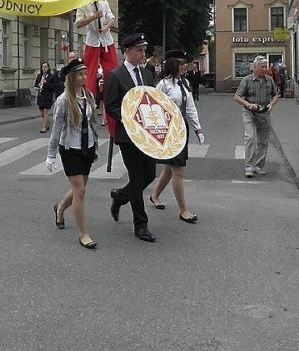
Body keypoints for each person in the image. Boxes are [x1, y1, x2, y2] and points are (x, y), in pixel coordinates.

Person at [106, 32, 158, 242]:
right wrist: (130, 121)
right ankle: (141, 224)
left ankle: (120, 196)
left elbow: (152, 102)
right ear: (127, 51)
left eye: (144, 50)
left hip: (146, 136)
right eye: (139, 50)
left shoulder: (146, 75)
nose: (142, 54)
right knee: (136, 178)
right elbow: (110, 106)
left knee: (150, 175)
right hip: (127, 136)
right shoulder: (115, 75)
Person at [48, 58, 99, 249]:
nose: (84, 77)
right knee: (80, 190)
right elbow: (56, 128)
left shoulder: (89, 96)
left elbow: (92, 122)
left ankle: (60, 208)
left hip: (87, 147)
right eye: (80, 74)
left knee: (81, 187)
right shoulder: (63, 100)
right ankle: (83, 234)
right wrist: (51, 154)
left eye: (85, 73)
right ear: (71, 77)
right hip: (70, 149)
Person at [148, 51, 205, 222]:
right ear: (173, 65)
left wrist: (198, 129)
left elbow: (190, 108)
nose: (184, 66)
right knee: (178, 170)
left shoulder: (185, 83)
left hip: (181, 128)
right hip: (169, 129)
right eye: (181, 64)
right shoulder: (164, 85)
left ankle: (155, 195)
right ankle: (183, 210)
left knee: (170, 167)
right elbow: (153, 106)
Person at [233, 56, 280, 178]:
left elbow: (276, 95)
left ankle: (259, 166)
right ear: (255, 67)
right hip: (249, 112)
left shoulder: (269, 80)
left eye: (266, 66)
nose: (265, 69)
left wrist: (271, 104)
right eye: (262, 66)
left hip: (264, 113)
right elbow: (237, 97)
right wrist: (249, 104)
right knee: (250, 137)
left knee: (263, 141)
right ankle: (249, 166)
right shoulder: (247, 80)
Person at [75, 0, 117, 100]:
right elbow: (78, 23)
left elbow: (111, 17)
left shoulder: (103, 2)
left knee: (113, 69)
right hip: (92, 41)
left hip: (106, 40)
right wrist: (94, 17)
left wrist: (107, 27)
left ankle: (112, 96)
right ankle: (89, 98)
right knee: (89, 73)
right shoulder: (83, 4)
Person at [34, 62, 56, 133]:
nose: (44, 68)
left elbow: (53, 87)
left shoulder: (51, 76)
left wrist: (46, 83)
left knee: (46, 111)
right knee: (42, 111)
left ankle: (44, 127)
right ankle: (47, 122)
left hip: (48, 96)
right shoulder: (39, 76)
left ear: (48, 68)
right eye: (43, 67)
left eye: (45, 67)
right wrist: (38, 85)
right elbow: (36, 85)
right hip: (41, 95)